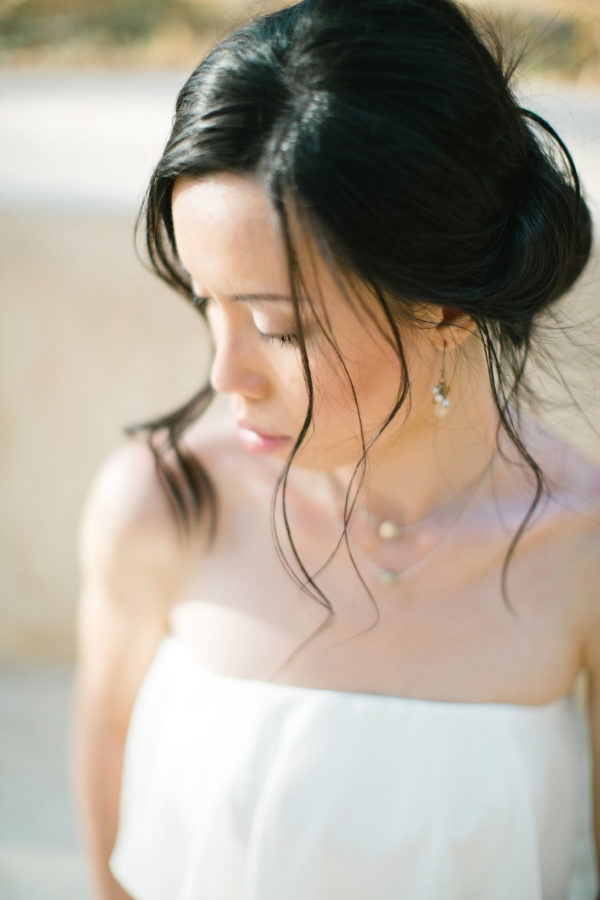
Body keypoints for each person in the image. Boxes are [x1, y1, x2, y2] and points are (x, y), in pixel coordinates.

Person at [73, 0, 600, 897]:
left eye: (277, 327)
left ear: (446, 306)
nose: (225, 370)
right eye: (208, 301)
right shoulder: (163, 507)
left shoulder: (581, 554)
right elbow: (113, 828)